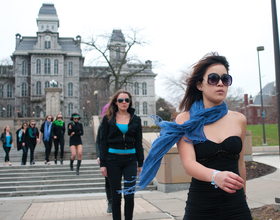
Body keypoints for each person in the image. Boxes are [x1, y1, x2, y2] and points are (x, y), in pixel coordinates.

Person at [128, 52, 252, 219]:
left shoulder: (239, 119)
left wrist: (243, 195)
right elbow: (189, 164)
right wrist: (216, 176)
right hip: (201, 206)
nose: (221, 83)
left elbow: (241, 163)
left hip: (236, 206)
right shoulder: (185, 119)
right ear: (199, 85)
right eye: (214, 78)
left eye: (226, 79)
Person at [99, 90, 144, 220]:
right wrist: (103, 163)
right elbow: (103, 142)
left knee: (129, 195)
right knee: (116, 196)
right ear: (116, 102)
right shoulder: (108, 119)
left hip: (130, 160)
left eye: (126, 100)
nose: (124, 102)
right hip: (112, 160)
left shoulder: (136, 119)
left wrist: (140, 163)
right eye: (121, 100)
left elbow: (138, 142)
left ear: (130, 102)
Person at [96, 103, 112, 213]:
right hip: (107, 156)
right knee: (108, 180)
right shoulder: (102, 125)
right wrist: (99, 156)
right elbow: (98, 142)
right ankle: (110, 201)